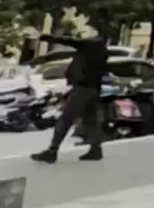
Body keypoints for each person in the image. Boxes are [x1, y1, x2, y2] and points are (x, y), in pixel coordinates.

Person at [29, 28, 108, 164]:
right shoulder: (101, 49)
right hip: (94, 88)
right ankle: (96, 149)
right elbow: (67, 52)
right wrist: (46, 58)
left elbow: (70, 41)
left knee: (65, 119)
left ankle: (52, 151)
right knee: (91, 121)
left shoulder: (90, 45)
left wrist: (48, 37)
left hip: (82, 88)